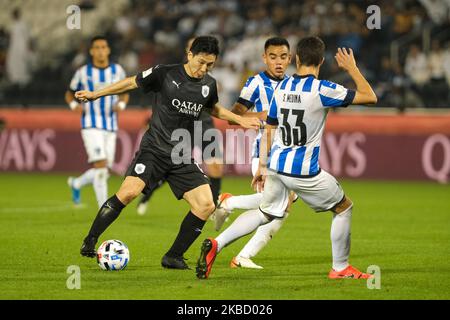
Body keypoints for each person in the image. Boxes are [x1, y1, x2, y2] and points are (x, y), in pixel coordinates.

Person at [196, 36, 377, 280]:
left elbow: (269, 127)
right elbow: (370, 96)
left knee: (266, 213)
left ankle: (216, 244)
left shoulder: (281, 88)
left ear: (297, 59)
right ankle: (341, 267)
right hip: (303, 171)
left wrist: (261, 163)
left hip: (276, 164)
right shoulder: (322, 89)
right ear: (321, 61)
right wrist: (351, 68)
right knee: (344, 208)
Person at [74, 36, 260, 270]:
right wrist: (96, 94)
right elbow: (131, 82)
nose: (204, 69)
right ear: (189, 55)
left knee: (206, 204)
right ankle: (90, 240)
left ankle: (173, 256)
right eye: (201, 62)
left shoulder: (208, 85)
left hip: (181, 154)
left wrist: (240, 120)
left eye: (210, 65)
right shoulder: (165, 73)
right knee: (129, 192)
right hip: (154, 149)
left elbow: (213, 109)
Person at [213, 37, 297, 269]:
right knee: (281, 205)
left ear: (289, 59)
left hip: (289, 154)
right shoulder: (256, 83)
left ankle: (229, 205)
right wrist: (260, 116)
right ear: (264, 58)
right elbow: (234, 116)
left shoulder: (294, 84)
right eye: (273, 57)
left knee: (282, 207)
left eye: (283, 57)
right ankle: (242, 254)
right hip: (265, 153)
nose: (278, 62)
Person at [136, 37, 224, 216]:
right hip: (181, 127)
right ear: (189, 53)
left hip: (204, 123)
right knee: (172, 163)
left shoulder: (208, 81)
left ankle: (214, 208)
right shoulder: (173, 75)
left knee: (216, 165)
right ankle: (146, 197)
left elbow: (213, 106)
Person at [65, 36, 129, 208]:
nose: (101, 50)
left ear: (108, 50)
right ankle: (104, 208)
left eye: (103, 47)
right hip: (90, 124)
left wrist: (122, 104)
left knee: (105, 170)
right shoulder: (83, 72)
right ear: (92, 51)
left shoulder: (117, 70)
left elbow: (126, 90)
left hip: (111, 124)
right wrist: (73, 105)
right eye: (97, 47)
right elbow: (69, 93)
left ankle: (76, 184)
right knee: (100, 165)